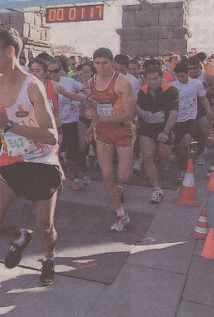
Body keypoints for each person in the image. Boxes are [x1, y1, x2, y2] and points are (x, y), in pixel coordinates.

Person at [0, 27, 62, 286]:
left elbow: (51, 136)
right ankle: (19, 237)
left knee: (46, 228)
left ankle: (48, 259)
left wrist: (9, 126)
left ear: (10, 51)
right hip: (12, 160)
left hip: (41, 164)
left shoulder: (33, 87)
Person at [83, 48, 136, 232]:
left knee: (123, 176)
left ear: (112, 63)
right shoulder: (92, 82)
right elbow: (92, 109)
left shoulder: (123, 83)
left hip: (122, 131)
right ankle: (121, 213)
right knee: (107, 175)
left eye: (105, 63)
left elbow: (129, 114)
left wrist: (99, 119)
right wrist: (91, 125)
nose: (101, 67)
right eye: (97, 63)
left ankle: (118, 189)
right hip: (103, 132)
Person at [136, 65, 178, 203]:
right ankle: (156, 189)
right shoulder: (142, 91)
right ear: (144, 79)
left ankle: (162, 164)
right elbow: (141, 113)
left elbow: (173, 114)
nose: (152, 82)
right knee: (148, 157)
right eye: (149, 79)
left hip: (164, 127)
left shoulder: (171, 90)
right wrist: (134, 107)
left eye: (155, 78)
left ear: (162, 77)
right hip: (147, 128)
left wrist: (166, 131)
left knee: (164, 160)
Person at [44, 58, 88, 190]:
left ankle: (73, 179)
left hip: (69, 123)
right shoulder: (42, 84)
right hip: (52, 125)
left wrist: (78, 103)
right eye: (49, 71)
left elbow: (84, 91)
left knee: (73, 153)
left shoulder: (68, 82)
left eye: (56, 71)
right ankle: (53, 180)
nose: (53, 74)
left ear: (62, 70)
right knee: (52, 153)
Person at [171, 61, 210, 179]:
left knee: (186, 142)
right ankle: (182, 167)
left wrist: (209, 111)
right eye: (178, 76)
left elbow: (202, 98)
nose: (180, 78)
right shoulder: (172, 86)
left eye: (182, 76)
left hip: (190, 118)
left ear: (187, 73)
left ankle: (188, 166)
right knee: (178, 145)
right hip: (177, 119)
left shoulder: (196, 84)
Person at [187, 56, 214, 164]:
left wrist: (212, 107)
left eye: (195, 68)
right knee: (193, 132)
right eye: (190, 68)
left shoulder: (207, 77)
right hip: (190, 107)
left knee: (203, 131)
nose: (192, 71)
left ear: (199, 67)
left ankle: (200, 154)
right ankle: (197, 149)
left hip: (203, 105)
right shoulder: (184, 77)